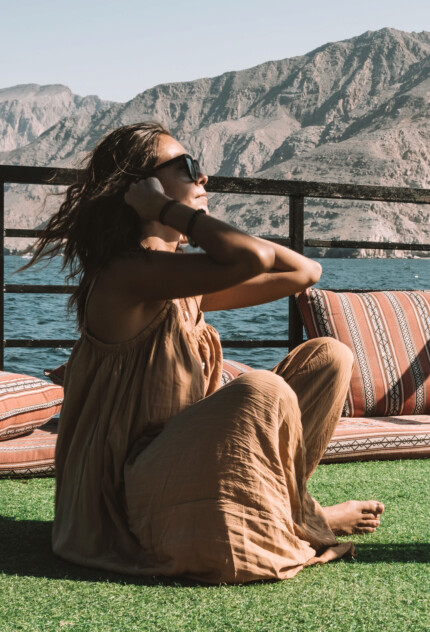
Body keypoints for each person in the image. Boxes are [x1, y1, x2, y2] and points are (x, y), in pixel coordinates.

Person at [25, 121, 383, 584]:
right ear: (141, 186)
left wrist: (182, 220)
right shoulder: (125, 275)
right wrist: (171, 212)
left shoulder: (179, 282)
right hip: (126, 494)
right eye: (187, 167)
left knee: (330, 359)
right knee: (263, 389)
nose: (203, 179)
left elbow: (304, 271)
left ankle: (287, 510)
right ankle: (298, 519)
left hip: (178, 463)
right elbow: (251, 259)